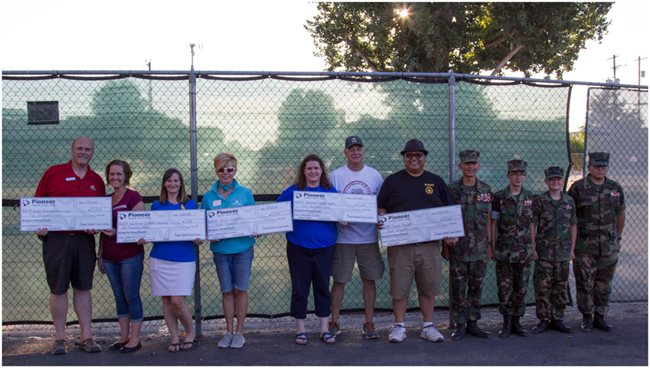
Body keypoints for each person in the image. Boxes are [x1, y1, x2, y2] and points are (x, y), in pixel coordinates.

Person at [377, 139, 458, 343]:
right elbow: (381, 208)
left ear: (424, 158)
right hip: (400, 246)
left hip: (429, 246)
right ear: (404, 158)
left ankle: (428, 326)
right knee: (399, 287)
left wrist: (451, 233)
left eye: (418, 155)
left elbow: (448, 212)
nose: (414, 159)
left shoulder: (436, 181)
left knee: (428, 287)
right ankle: (399, 326)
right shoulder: (392, 181)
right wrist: (381, 217)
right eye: (409, 155)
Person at [35, 136, 106, 355]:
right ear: (72, 150)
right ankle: (59, 338)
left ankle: (86, 337)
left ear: (92, 152)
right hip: (58, 241)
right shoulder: (53, 173)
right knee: (58, 289)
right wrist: (40, 226)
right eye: (79, 148)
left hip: (84, 242)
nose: (83, 152)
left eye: (87, 149)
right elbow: (38, 206)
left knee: (83, 288)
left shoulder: (97, 180)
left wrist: (95, 226)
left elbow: (99, 214)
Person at [277, 154, 338, 345]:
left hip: (324, 248)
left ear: (322, 171)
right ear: (304, 171)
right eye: (309, 168)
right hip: (298, 249)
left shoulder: (330, 192)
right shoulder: (293, 191)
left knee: (322, 288)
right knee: (300, 289)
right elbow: (277, 211)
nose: (313, 171)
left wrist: (343, 216)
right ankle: (300, 330)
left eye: (316, 168)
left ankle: (324, 330)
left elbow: (342, 212)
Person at [328, 136, 384, 340]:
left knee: (369, 280)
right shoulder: (335, 176)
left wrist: (380, 216)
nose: (356, 152)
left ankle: (369, 322)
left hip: (368, 237)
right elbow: (329, 203)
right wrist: (338, 216)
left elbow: (382, 204)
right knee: (340, 281)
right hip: (343, 238)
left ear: (364, 151)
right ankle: (334, 321)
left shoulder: (375, 176)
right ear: (345, 152)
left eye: (359, 148)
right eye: (351, 149)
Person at [143, 168, 202, 352]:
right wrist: (142, 236)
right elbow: (152, 232)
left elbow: (197, 232)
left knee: (177, 300)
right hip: (160, 258)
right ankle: (174, 337)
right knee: (167, 300)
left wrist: (198, 238)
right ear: (164, 184)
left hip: (184, 258)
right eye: (169, 181)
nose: (172, 184)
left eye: (176, 181)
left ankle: (190, 331)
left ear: (181, 183)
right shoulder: (156, 206)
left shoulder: (191, 205)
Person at [201, 153, 256, 349]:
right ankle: (228, 332)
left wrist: (256, 230)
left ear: (236, 170)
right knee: (226, 291)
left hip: (242, 249)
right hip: (221, 250)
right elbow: (203, 225)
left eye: (230, 169)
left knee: (240, 290)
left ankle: (240, 332)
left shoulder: (245, 193)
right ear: (216, 170)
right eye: (221, 169)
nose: (226, 173)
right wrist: (208, 234)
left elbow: (254, 220)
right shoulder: (208, 196)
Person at [568, 152, 625, 332]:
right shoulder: (578, 188)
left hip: (608, 246)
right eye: (596, 166)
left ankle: (600, 316)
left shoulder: (615, 188)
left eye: (603, 166)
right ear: (589, 167)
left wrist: (618, 237)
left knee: (604, 283)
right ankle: (587, 317)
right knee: (584, 282)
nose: (600, 169)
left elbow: (621, 214)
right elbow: (570, 217)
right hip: (584, 247)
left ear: (607, 167)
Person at [98, 160, 145, 353]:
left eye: (119, 174)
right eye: (112, 174)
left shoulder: (134, 197)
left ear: (126, 176)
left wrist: (117, 232)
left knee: (131, 296)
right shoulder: (105, 200)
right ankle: (124, 336)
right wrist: (100, 255)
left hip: (130, 256)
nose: (115, 178)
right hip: (109, 257)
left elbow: (140, 228)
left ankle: (135, 338)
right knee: (119, 297)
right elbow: (101, 231)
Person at [447, 150, 493, 340]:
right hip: (458, 249)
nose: (471, 167)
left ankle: (473, 323)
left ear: (478, 166)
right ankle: (459, 325)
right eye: (467, 164)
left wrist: (490, 244)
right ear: (460, 166)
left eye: (474, 163)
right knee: (458, 288)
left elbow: (489, 218)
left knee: (476, 287)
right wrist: (445, 246)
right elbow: (445, 217)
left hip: (480, 249)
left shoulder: (485, 190)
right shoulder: (452, 190)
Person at [491, 159, 535, 338]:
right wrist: (492, 246)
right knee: (505, 288)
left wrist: (533, 247)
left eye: (521, 174)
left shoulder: (531, 198)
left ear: (525, 176)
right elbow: (494, 223)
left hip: (524, 252)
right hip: (504, 251)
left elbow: (533, 225)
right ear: (508, 175)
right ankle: (506, 322)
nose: (518, 177)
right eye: (514, 174)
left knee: (521, 288)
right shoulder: (499, 197)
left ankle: (517, 322)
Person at [531, 166, 577, 334]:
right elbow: (532, 225)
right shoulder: (540, 201)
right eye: (552, 180)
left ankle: (558, 318)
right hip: (544, 252)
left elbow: (573, 225)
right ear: (546, 182)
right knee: (542, 287)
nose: (555, 182)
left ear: (562, 180)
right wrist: (533, 247)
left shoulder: (569, 201)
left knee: (560, 286)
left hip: (563, 252)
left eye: (558, 179)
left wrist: (572, 249)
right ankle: (544, 319)